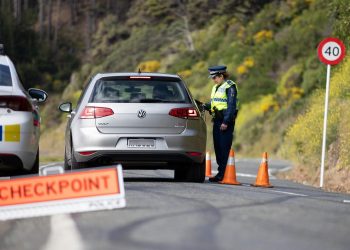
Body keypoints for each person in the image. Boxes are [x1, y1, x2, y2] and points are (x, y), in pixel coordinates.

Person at [203, 65, 239, 182]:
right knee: (218, 147)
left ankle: (223, 174)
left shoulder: (230, 87)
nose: (213, 80)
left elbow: (231, 106)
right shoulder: (216, 87)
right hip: (217, 120)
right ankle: (221, 173)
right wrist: (205, 106)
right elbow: (215, 103)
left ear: (221, 76)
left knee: (224, 147)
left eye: (215, 78)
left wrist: (226, 121)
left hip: (225, 121)